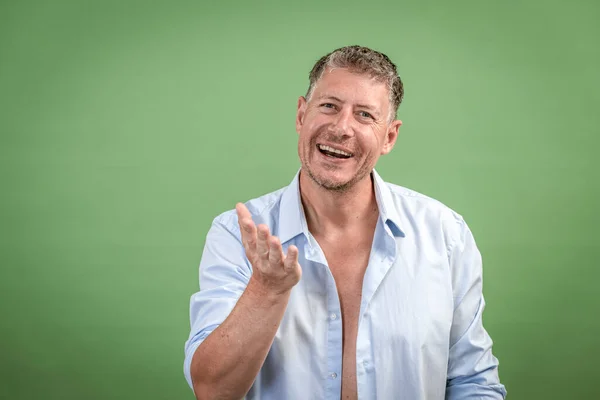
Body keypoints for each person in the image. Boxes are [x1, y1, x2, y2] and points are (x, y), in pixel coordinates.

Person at [183, 45, 507, 400]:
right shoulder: (236, 235)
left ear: (390, 137)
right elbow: (213, 390)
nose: (341, 128)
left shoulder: (446, 235)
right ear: (301, 115)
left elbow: (472, 383)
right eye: (329, 106)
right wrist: (266, 290)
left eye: (365, 115)